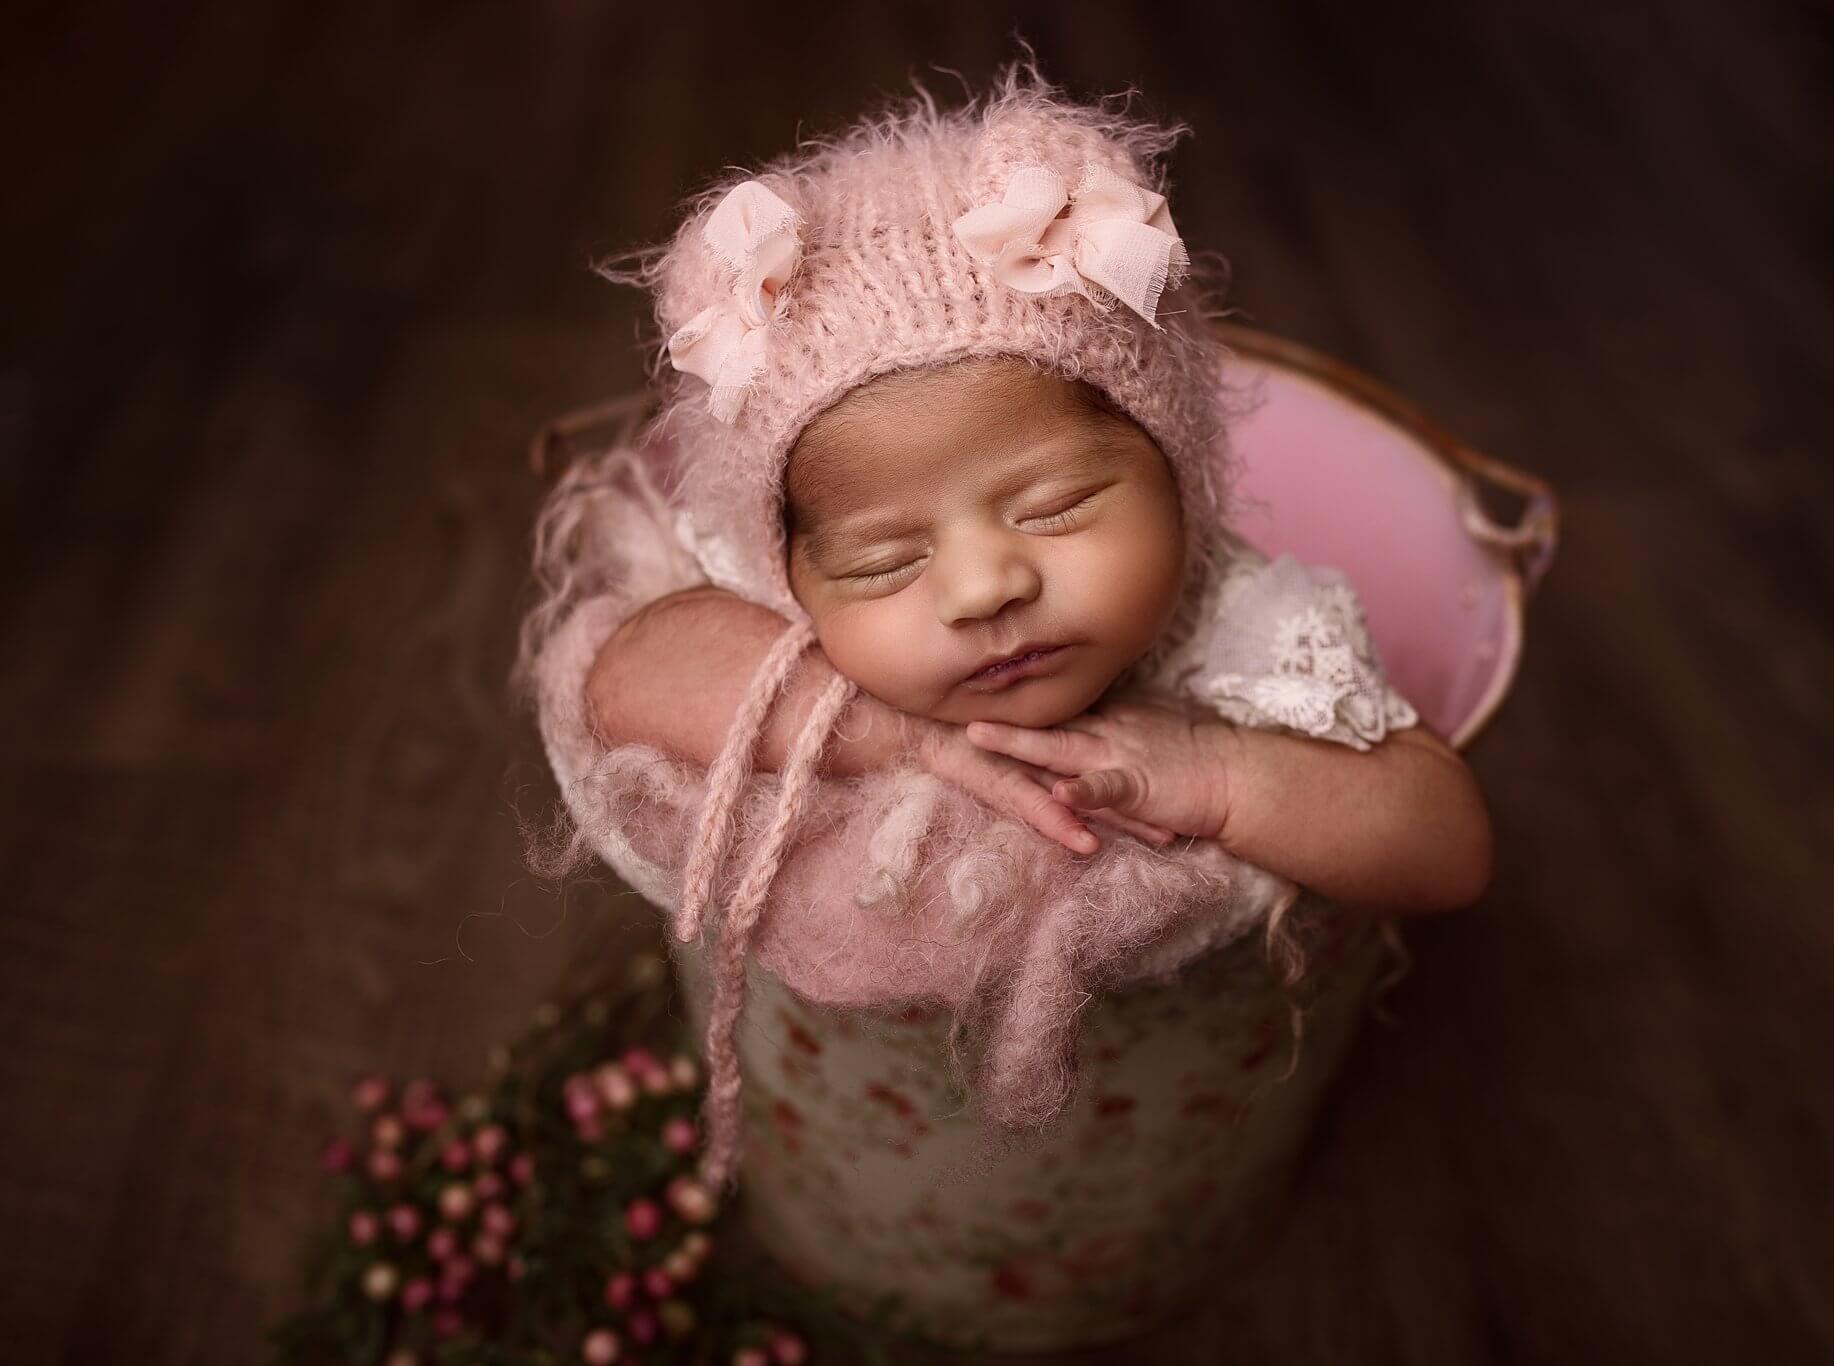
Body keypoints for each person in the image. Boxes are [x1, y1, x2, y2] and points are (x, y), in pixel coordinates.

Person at [517, 62, 1492, 1190]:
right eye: (884, 559)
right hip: (878, 1140)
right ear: (791, 579)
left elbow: (1447, 842)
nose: (983, 587)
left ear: (1181, 481)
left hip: (1145, 1151)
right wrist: (900, 737)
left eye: (1057, 507)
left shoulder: (1237, 618)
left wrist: (1222, 772)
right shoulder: (769, 601)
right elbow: (621, 673)